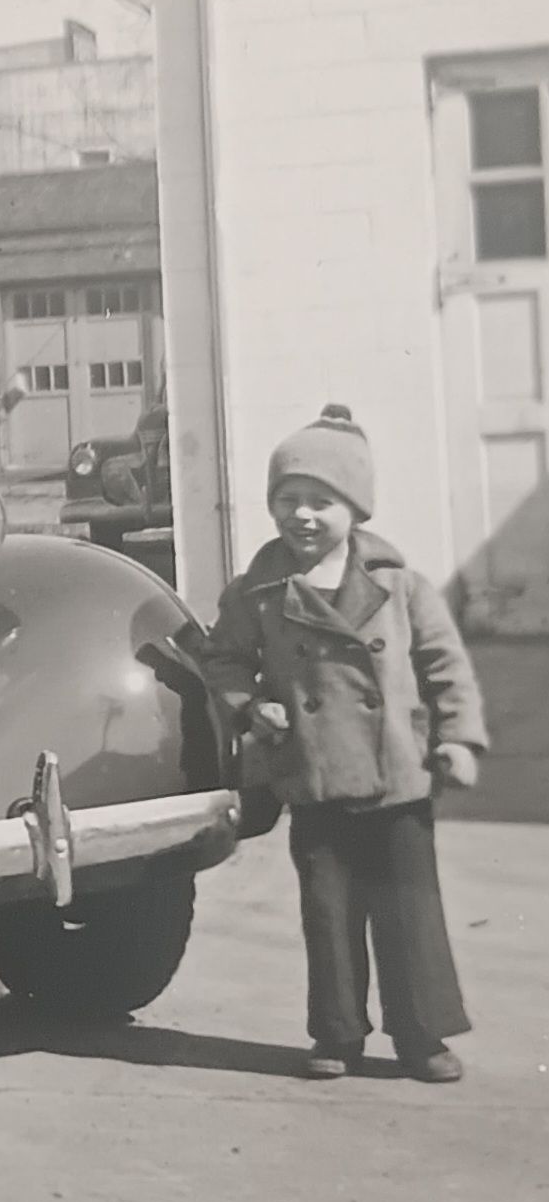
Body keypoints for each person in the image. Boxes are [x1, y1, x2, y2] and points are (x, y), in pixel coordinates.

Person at [202, 403, 487, 1083]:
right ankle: (337, 1033)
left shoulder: (399, 584)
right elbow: (222, 659)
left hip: (397, 776)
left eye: (319, 501)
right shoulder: (259, 591)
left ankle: (421, 1038)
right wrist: (250, 706)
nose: (301, 515)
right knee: (327, 915)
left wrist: (458, 739)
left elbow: (445, 666)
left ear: (354, 508)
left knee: (408, 913)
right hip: (313, 773)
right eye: (286, 499)